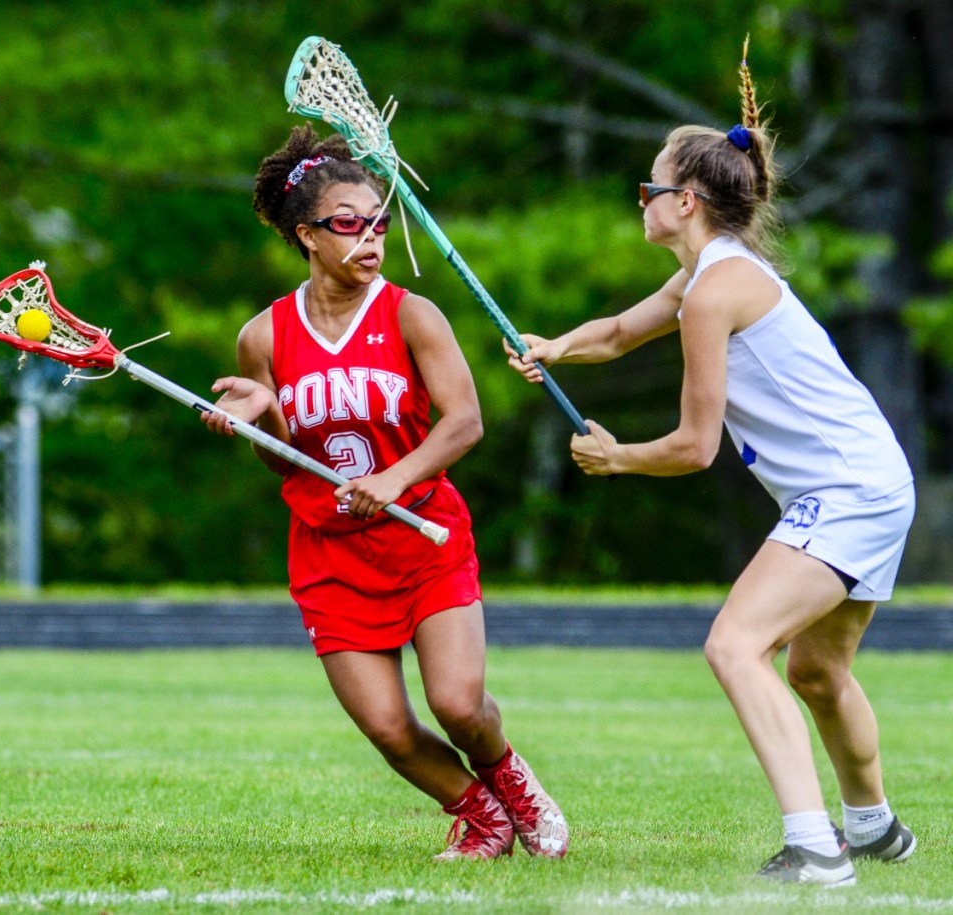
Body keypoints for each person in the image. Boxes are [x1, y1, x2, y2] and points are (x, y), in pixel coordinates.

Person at [505, 43, 915, 886]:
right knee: (817, 667)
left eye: (649, 188)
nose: (642, 199)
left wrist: (618, 459)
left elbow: (694, 448)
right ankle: (872, 828)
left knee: (735, 644)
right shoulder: (711, 271)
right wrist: (555, 347)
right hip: (874, 480)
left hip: (846, 489)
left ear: (684, 202)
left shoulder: (715, 291)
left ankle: (815, 848)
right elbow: (619, 331)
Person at [200, 124, 568, 861]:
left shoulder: (409, 313)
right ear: (306, 234)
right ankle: (482, 816)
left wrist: (397, 478)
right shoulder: (262, 337)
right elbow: (286, 465)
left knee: (459, 705)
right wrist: (261, 417)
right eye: (348, 224)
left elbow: (465, 421)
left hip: (424, 535)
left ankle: (511, 781)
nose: (370, 238)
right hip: (331, 556)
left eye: (378, 223)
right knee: (390, 728)